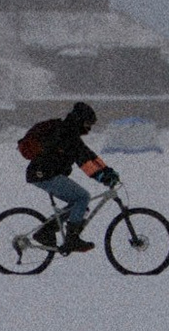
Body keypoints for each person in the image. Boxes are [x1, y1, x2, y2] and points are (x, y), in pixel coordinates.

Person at [17, 99, 115, 256]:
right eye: (88, 124)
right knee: (83, 197)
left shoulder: (69, 133)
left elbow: (89, 155)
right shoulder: (66, 134)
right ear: (80, 120)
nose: (89, 129)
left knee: (79, 205)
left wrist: (107, 171)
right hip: (44, 174)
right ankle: (71, 239)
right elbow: (84, 161)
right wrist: (103, 176)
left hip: (44, 174)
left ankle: (46, 231)